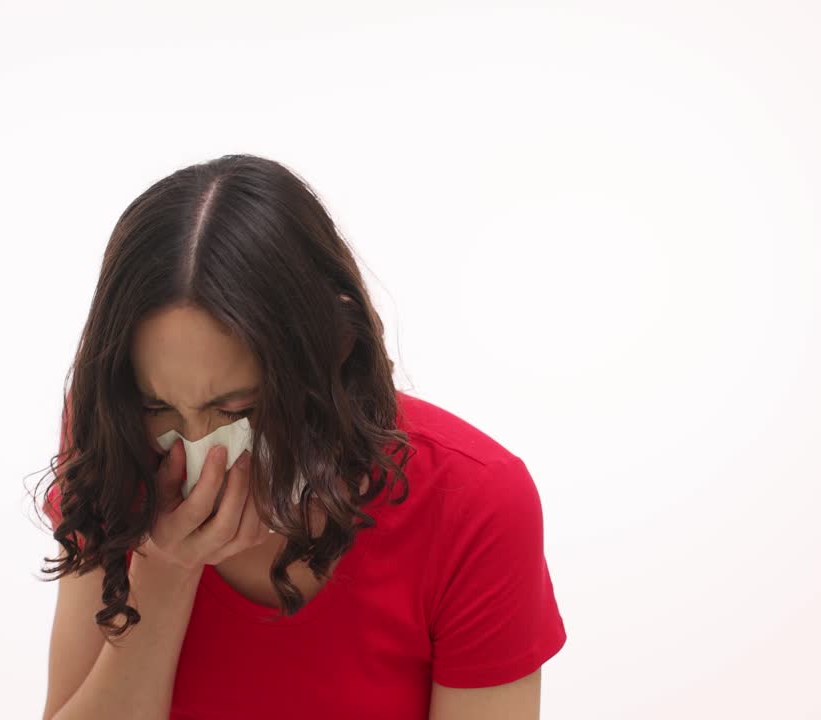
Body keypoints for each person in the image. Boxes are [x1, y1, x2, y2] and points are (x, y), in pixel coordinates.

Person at [34, 154, 566, 719]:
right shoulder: (114, 442)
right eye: (157, 404)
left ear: (332, 352)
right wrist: (165, 572)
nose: (198, 444)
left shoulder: (474, 502)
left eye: (237, 407)